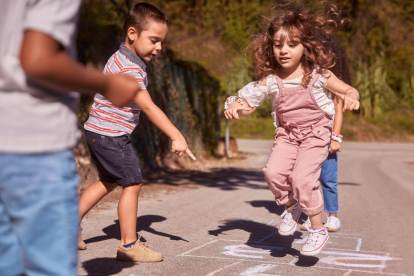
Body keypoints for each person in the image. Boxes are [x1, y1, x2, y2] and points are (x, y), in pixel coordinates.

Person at [0, 1, 140, 275]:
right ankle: (130, 243)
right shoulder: (126, 64)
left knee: (9, 263)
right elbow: (38, 58)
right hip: (33, 142)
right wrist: (106, 84)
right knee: (47, 266)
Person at [224, 1, 360, 256]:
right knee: (272, 173)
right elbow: (248, 104)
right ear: (271, 46)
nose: (283, 50)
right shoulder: (271, 79)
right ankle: (292, 206)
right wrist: (234, 106)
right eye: (278, 45)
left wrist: (353, 97)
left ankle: (318, 229)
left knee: (301, 179)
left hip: (316, 135)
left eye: (292, 44)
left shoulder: (319, 74)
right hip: (287, 135)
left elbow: (348, 90)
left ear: (305, 46)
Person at [78, 3, 195, 263]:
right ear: (132, 33)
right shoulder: (130, 69)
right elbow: (148, 107)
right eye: (154, 40)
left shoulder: (122, 58)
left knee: (108, 181)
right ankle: (129, 245)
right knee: (133, 183)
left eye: (161, 42)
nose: (159, 47)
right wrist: (176, 135)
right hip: (111, 135)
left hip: (97, 131)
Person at [300, 36, 353, 232]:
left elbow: (338, 113)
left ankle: (333, 216)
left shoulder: (333, 86)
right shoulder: (306, 82)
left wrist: (335, 138)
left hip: (328, 138)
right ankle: (312, 215)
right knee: (309, 178)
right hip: (309, 137)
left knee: (328, 179)